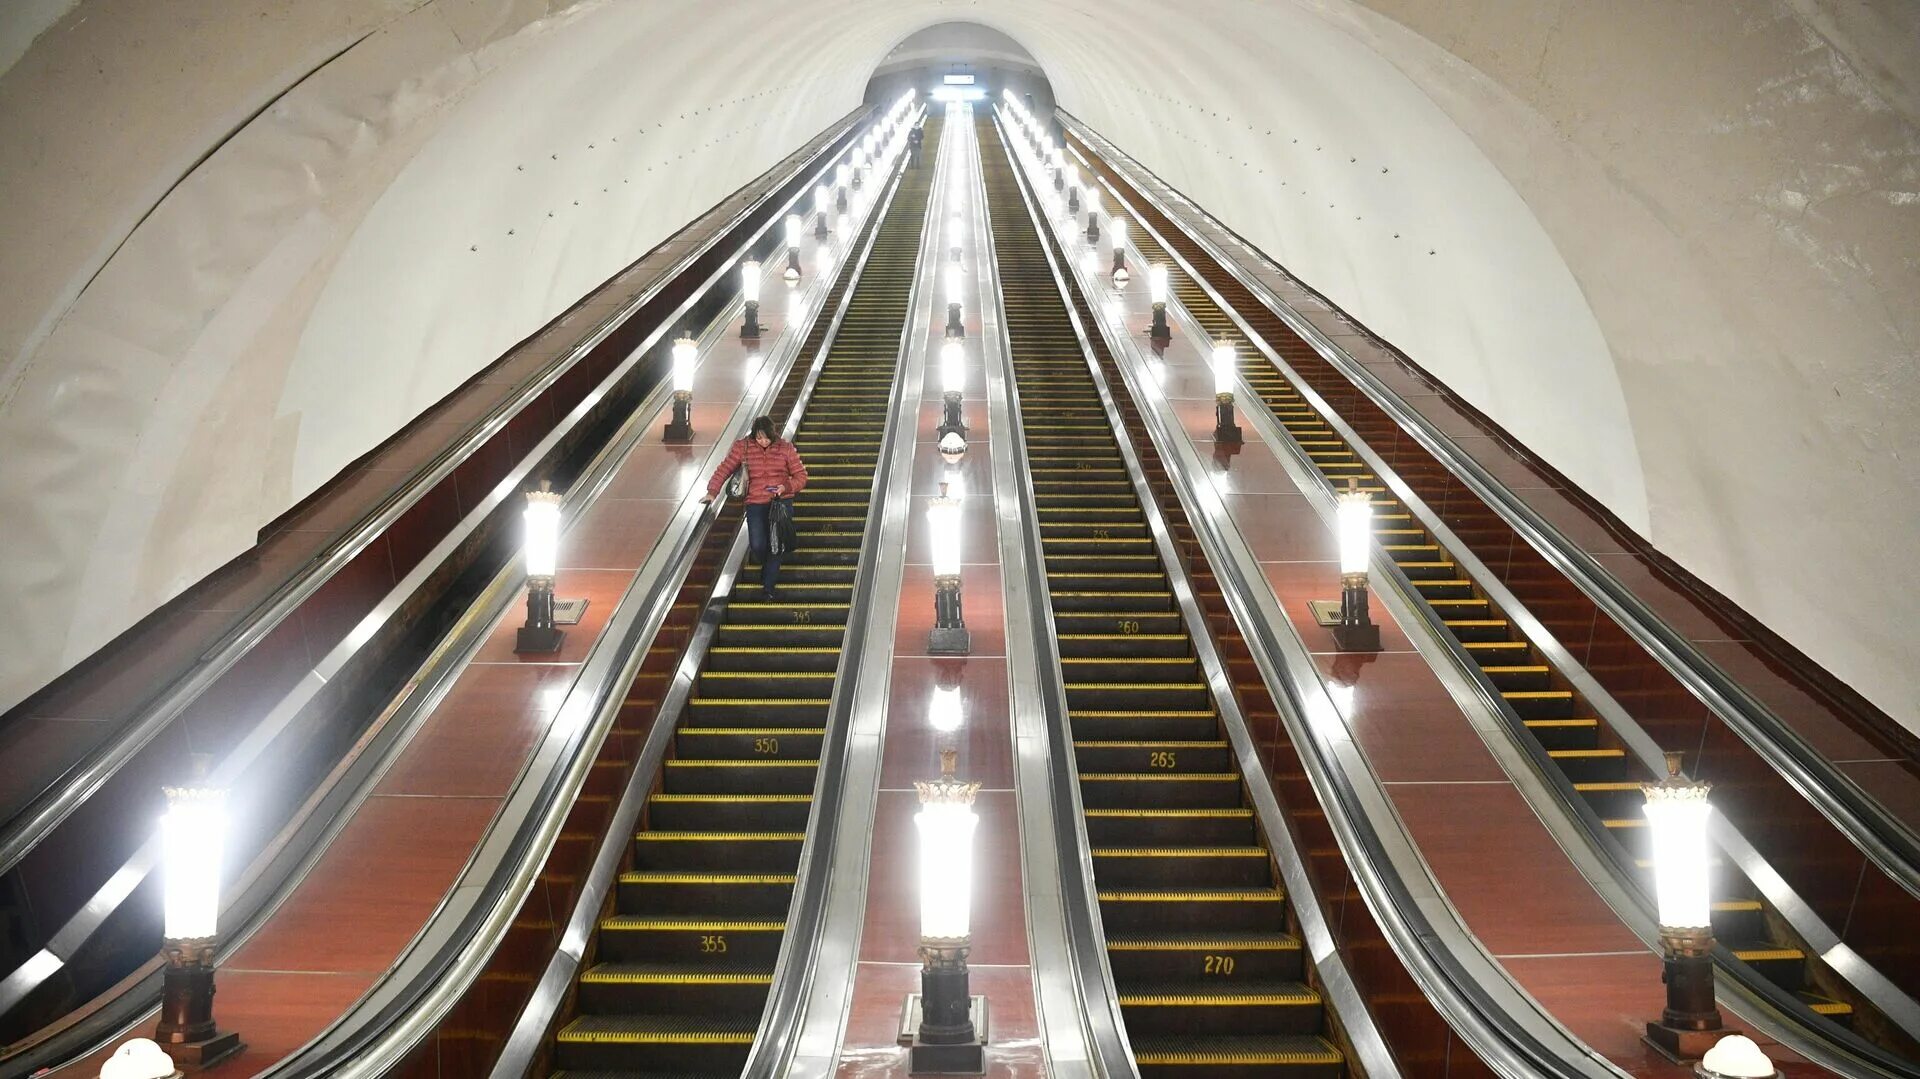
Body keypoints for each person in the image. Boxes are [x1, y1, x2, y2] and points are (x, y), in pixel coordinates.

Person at [701, 415, 808, 600]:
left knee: (775, 546)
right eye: (759, 438)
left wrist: (786, 487)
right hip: (755, 502)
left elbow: (801, 476)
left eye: (766, 437)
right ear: (753, 436)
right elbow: (724, 469)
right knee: (758, 544)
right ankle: (767, 569)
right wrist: (712, 492)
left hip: (781, 502)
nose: (763, 441)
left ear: (773, 434)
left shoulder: (785, 448)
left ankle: (768, 588)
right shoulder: (743, 447)